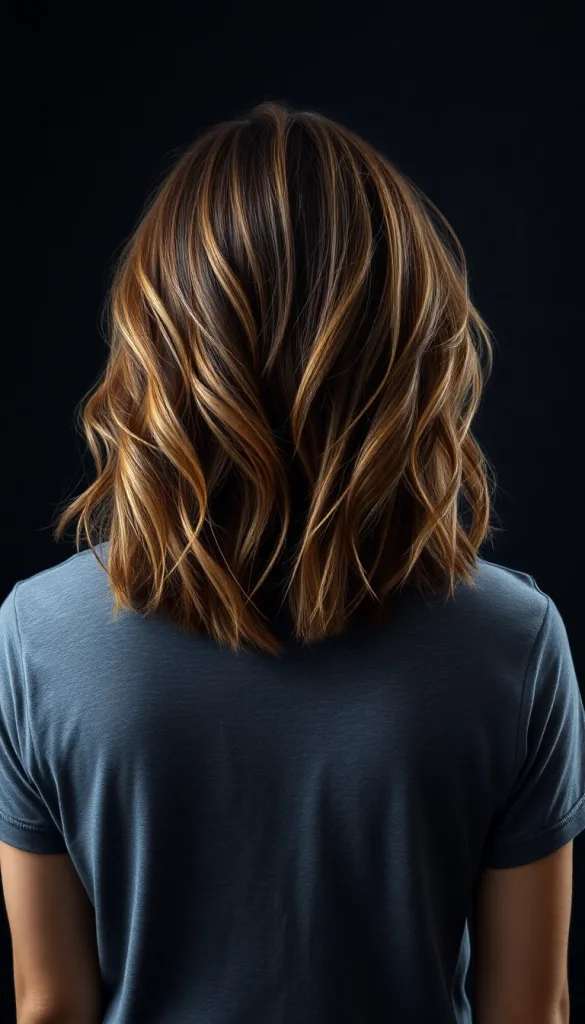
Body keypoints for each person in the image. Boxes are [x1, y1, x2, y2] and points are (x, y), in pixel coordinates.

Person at [0, 101, 583, 1024]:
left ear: (161, 334)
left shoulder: (38, 637)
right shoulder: (514, 644)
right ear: (401, 340)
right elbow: (528, 1012)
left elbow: (52, 1006)